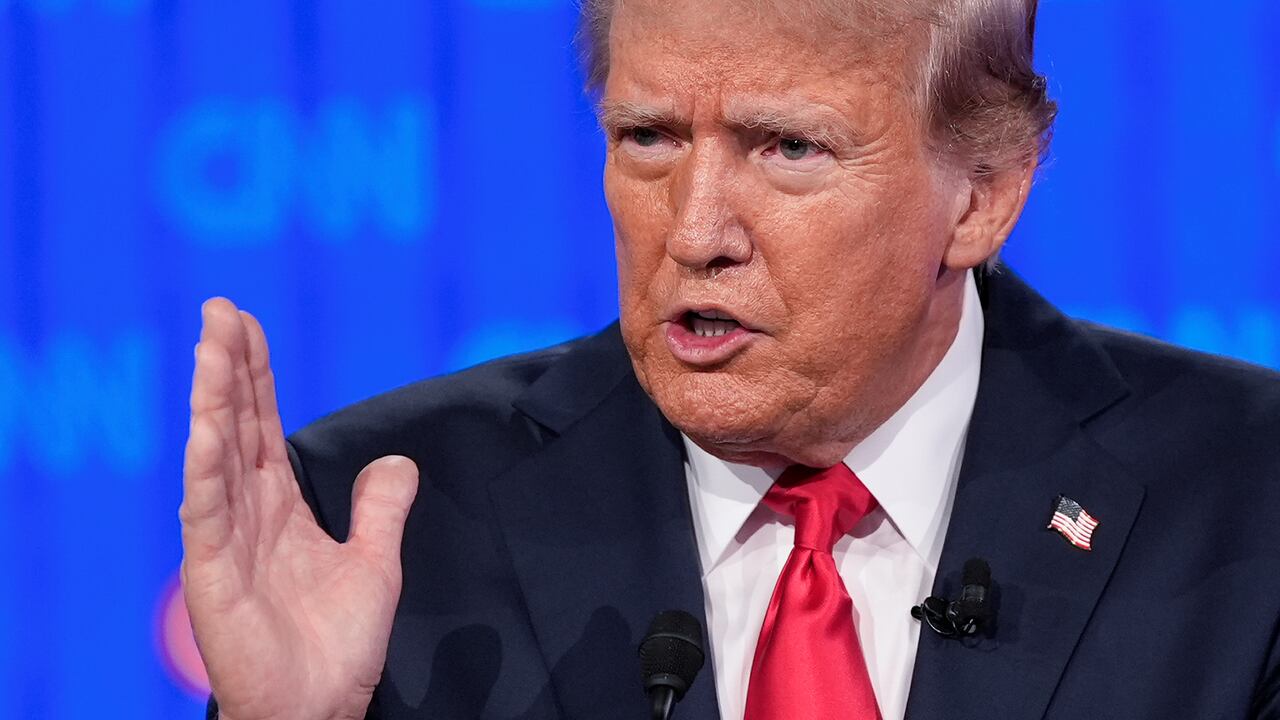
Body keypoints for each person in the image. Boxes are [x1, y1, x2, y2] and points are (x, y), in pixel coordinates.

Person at [179, 0, 1280, 718]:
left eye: (786, 147)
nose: (695, 229)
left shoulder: (1249, 501)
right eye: (647, 139)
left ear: (981, 197)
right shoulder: (387, 524)